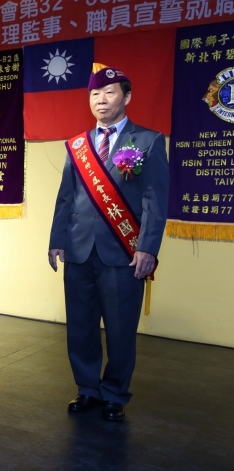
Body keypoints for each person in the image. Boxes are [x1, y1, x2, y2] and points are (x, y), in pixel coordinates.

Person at [48, 64, 169, 421]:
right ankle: (87, 388)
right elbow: (65, 197)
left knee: (120, 328)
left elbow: (155, 200)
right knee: (81, 326)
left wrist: (147, 248)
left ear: (126, 97)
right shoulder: (77, 145)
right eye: (95, 94)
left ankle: (115, 391)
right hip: (79, 249)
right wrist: (56, 240)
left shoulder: (148, 141)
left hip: (123, 251)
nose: (100, 100)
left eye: (109, 92)